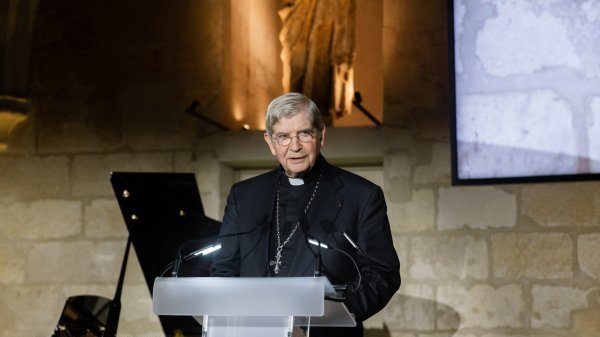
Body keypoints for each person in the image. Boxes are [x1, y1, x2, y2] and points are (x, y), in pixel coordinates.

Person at [211, 92, 400, 337]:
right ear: (270, 142)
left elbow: (382, 275)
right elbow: (223, 269)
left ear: (321, 135)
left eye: (304, 133)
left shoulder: (361, 196)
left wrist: (334, 314)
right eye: (283, 137)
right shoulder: (244, 196)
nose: (295, 146)